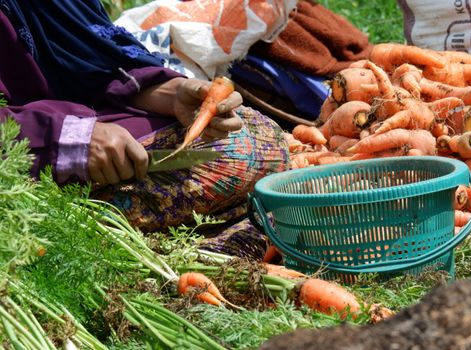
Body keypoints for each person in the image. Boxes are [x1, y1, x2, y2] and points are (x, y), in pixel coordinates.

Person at [0, 0, 289, 260]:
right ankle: (142, 257)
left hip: (77, 118)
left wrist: (173, 93)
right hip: (22, 154)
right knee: (236, 158)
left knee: (263, 137)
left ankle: (193, 258)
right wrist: (66, 139)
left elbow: (99, 62)